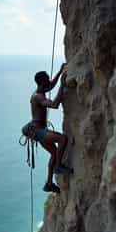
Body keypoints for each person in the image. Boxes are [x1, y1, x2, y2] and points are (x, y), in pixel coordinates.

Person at [30, 64, 68, 193]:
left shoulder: (41, 91)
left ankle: (49, 183)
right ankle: (58, 167)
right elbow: (55, 104)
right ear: (42, 82)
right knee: (62, 139)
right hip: (39, 131)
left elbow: (51, 85)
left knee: (54, 153)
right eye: (47, 79)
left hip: (38, 131)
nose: (49, 80)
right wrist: (62, 85)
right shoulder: (38, 97)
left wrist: (60, 72)